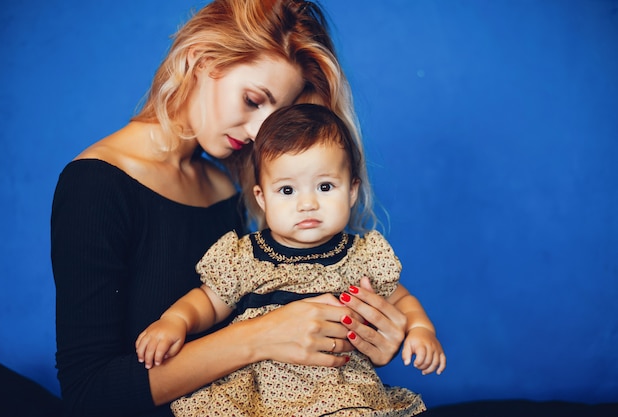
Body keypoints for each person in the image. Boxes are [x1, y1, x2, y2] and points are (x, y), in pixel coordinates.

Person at [51, 1, 419, 417]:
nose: (258, 131)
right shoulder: (96, 184)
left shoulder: (226, 186)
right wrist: (260, 336)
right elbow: (88, 393)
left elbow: (258, 311)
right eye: (251, 100)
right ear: (200, 59)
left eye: (273, 116)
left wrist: (362, 340)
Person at [135, 103, 446, 416]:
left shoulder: (361, 256)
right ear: (262, 197)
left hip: (339, 390)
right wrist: (175, 320)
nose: (307, 203)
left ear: (352, 192)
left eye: (325, 186)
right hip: (259, 394)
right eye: (287, 190)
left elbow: (400, 298)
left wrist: (421, 329)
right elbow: (207, 300)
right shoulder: (245, 256)